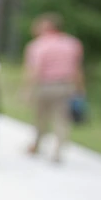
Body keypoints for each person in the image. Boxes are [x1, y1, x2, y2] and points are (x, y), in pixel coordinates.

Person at [23, 13, 84, 163]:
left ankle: (37, 144)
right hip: (65, 85)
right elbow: (77, 69)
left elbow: (34, 70)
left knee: (40, 117)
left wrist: (27, 89)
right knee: (62, 119)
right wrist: (80, 88)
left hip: (45, 85)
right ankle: (58, 151)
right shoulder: (72, 43)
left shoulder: (37, 45)